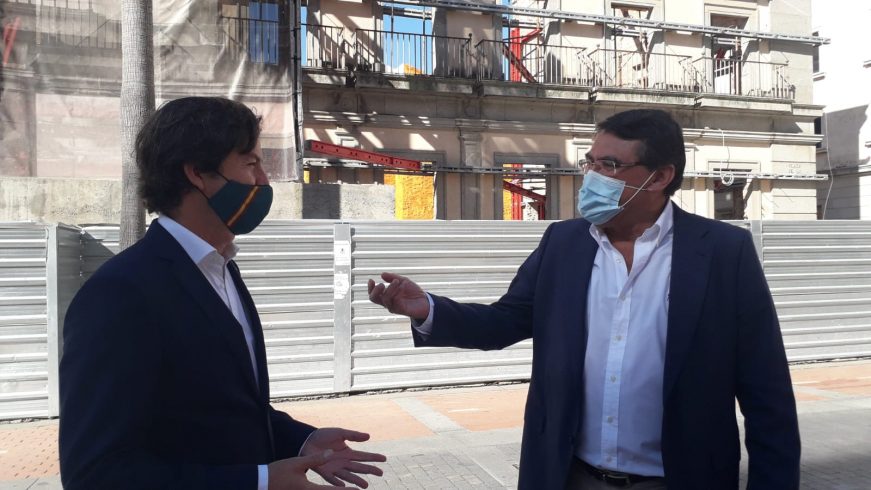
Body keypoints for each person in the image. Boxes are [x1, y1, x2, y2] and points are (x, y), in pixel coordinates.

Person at [368, 109, 800, 489]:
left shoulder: (724, 251)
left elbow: (766, 391)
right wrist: (428, 309)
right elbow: (506, 320)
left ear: (660, 177)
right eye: (590, 162)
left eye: (609, 165)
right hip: (568, 475)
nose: (591, 176)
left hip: (681, 479)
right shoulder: (563, 242)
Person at [59, 96, 386, 490]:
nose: (264, 180)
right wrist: (259, 481)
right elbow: (94, 474)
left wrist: (301, 440)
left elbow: (227, 409)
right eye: (251, 164)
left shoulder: (222, 269)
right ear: (198, 173)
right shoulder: (120, 293)